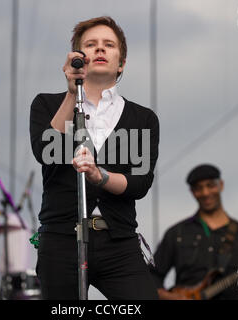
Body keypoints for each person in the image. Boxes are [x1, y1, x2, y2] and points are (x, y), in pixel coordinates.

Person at [29, 16, 159, 299]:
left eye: (108, 45)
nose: (100, 50)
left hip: (118, 241)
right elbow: (46, 152)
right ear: (78, 57)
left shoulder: (142, 118)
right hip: (62, 238)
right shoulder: (47, 104)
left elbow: (140, 182)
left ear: (121, 62)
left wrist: (100, 176)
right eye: (91, 44)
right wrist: (70, 92)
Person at [150, 164, 238, 300]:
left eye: (210, 185)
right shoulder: (177, 233)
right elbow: (151, 276)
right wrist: (169, 297)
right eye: (198, 188)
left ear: (221, 185)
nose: (205, 193)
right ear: (192, 192)